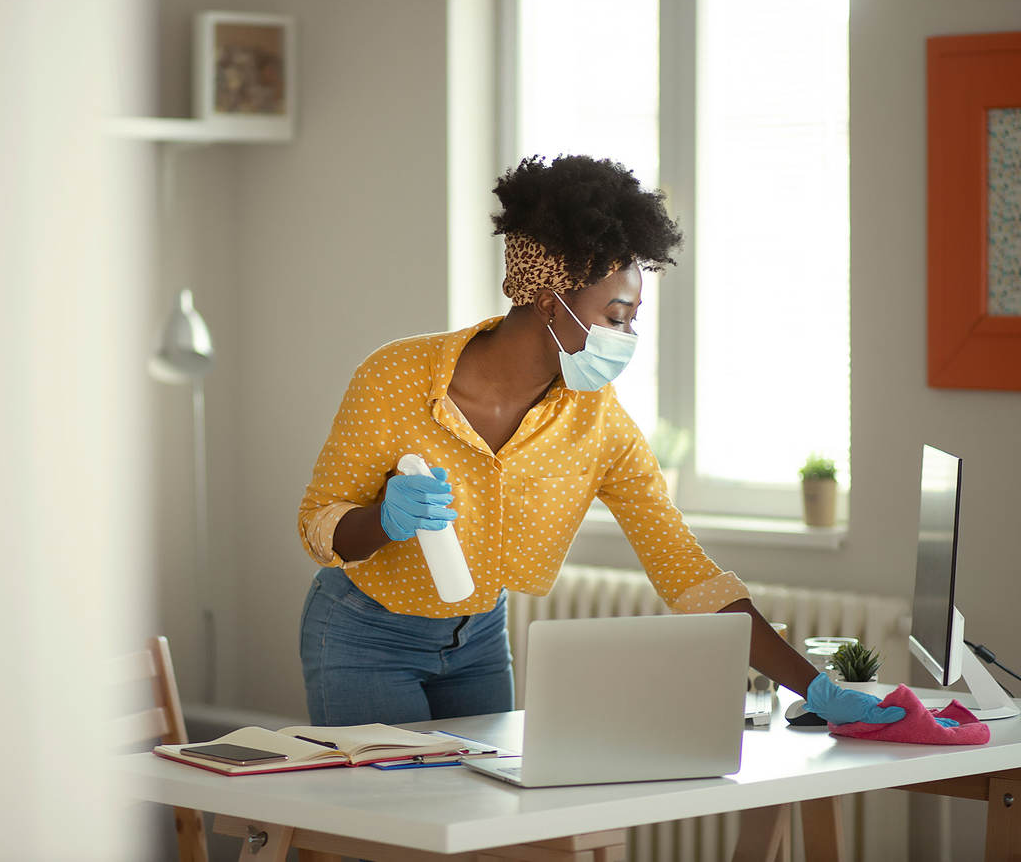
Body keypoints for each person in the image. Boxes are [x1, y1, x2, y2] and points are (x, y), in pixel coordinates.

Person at [297, 154, 902, 732]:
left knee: (482, 830)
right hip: (364, 633)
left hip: (480, 637)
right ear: (547, 298)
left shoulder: (599, 424)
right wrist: (384, 520)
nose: (628, 335)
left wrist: (813, 687)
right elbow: (317, 524)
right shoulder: (395, 377)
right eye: (616, 316)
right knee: (391, 828)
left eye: (634, 316)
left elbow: (687, 573)